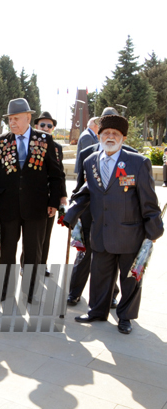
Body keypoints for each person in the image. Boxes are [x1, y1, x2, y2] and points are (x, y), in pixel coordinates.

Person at [63, 109, 163, 334]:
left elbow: (149, 201)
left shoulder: (138, 162)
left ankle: (125, 317)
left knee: (130, 279)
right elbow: (86, 191)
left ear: (123, 138)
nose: (110, 137)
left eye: (115, 134)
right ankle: (97, 311)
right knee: (100, 276)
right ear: (99, 136)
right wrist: (70, 215)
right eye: (105, 132)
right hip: (100, 231)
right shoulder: (90, 161)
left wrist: (153, 231)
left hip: (130, 233)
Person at [0, 98, 63, 302]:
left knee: (33, 253)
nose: (12, 122)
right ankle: (4, 291)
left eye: (16, 118)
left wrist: (54, 202)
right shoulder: (1, 141)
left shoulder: (45, 140)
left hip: (37, 207)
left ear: (28, 118)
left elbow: (56, 174)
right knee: (7, 252)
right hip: (7, 207)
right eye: (10, 119)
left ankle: (30, 292)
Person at [67, 108, 137, 307]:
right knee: (84, 254)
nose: (110, 134)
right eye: (106, 129)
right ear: (100, 130)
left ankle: (112, 295)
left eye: (115, 130)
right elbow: (81, 185)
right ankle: (74, 292)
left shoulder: (132, 154)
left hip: (117, 219)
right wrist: (75, 212)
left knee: (112, 257)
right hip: (91, 215)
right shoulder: (87, 154)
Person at [33, 112, 67, 276]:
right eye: (42, 125)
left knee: (46, 234)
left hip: (51, 196)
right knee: (31, 233)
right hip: (33, 196)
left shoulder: (57, 147)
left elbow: (59, 174)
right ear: (36, 127)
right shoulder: (30, 144)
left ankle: (42, 264)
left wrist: (62, 195)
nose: (45, 128)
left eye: (49, 126)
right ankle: (27, 263)